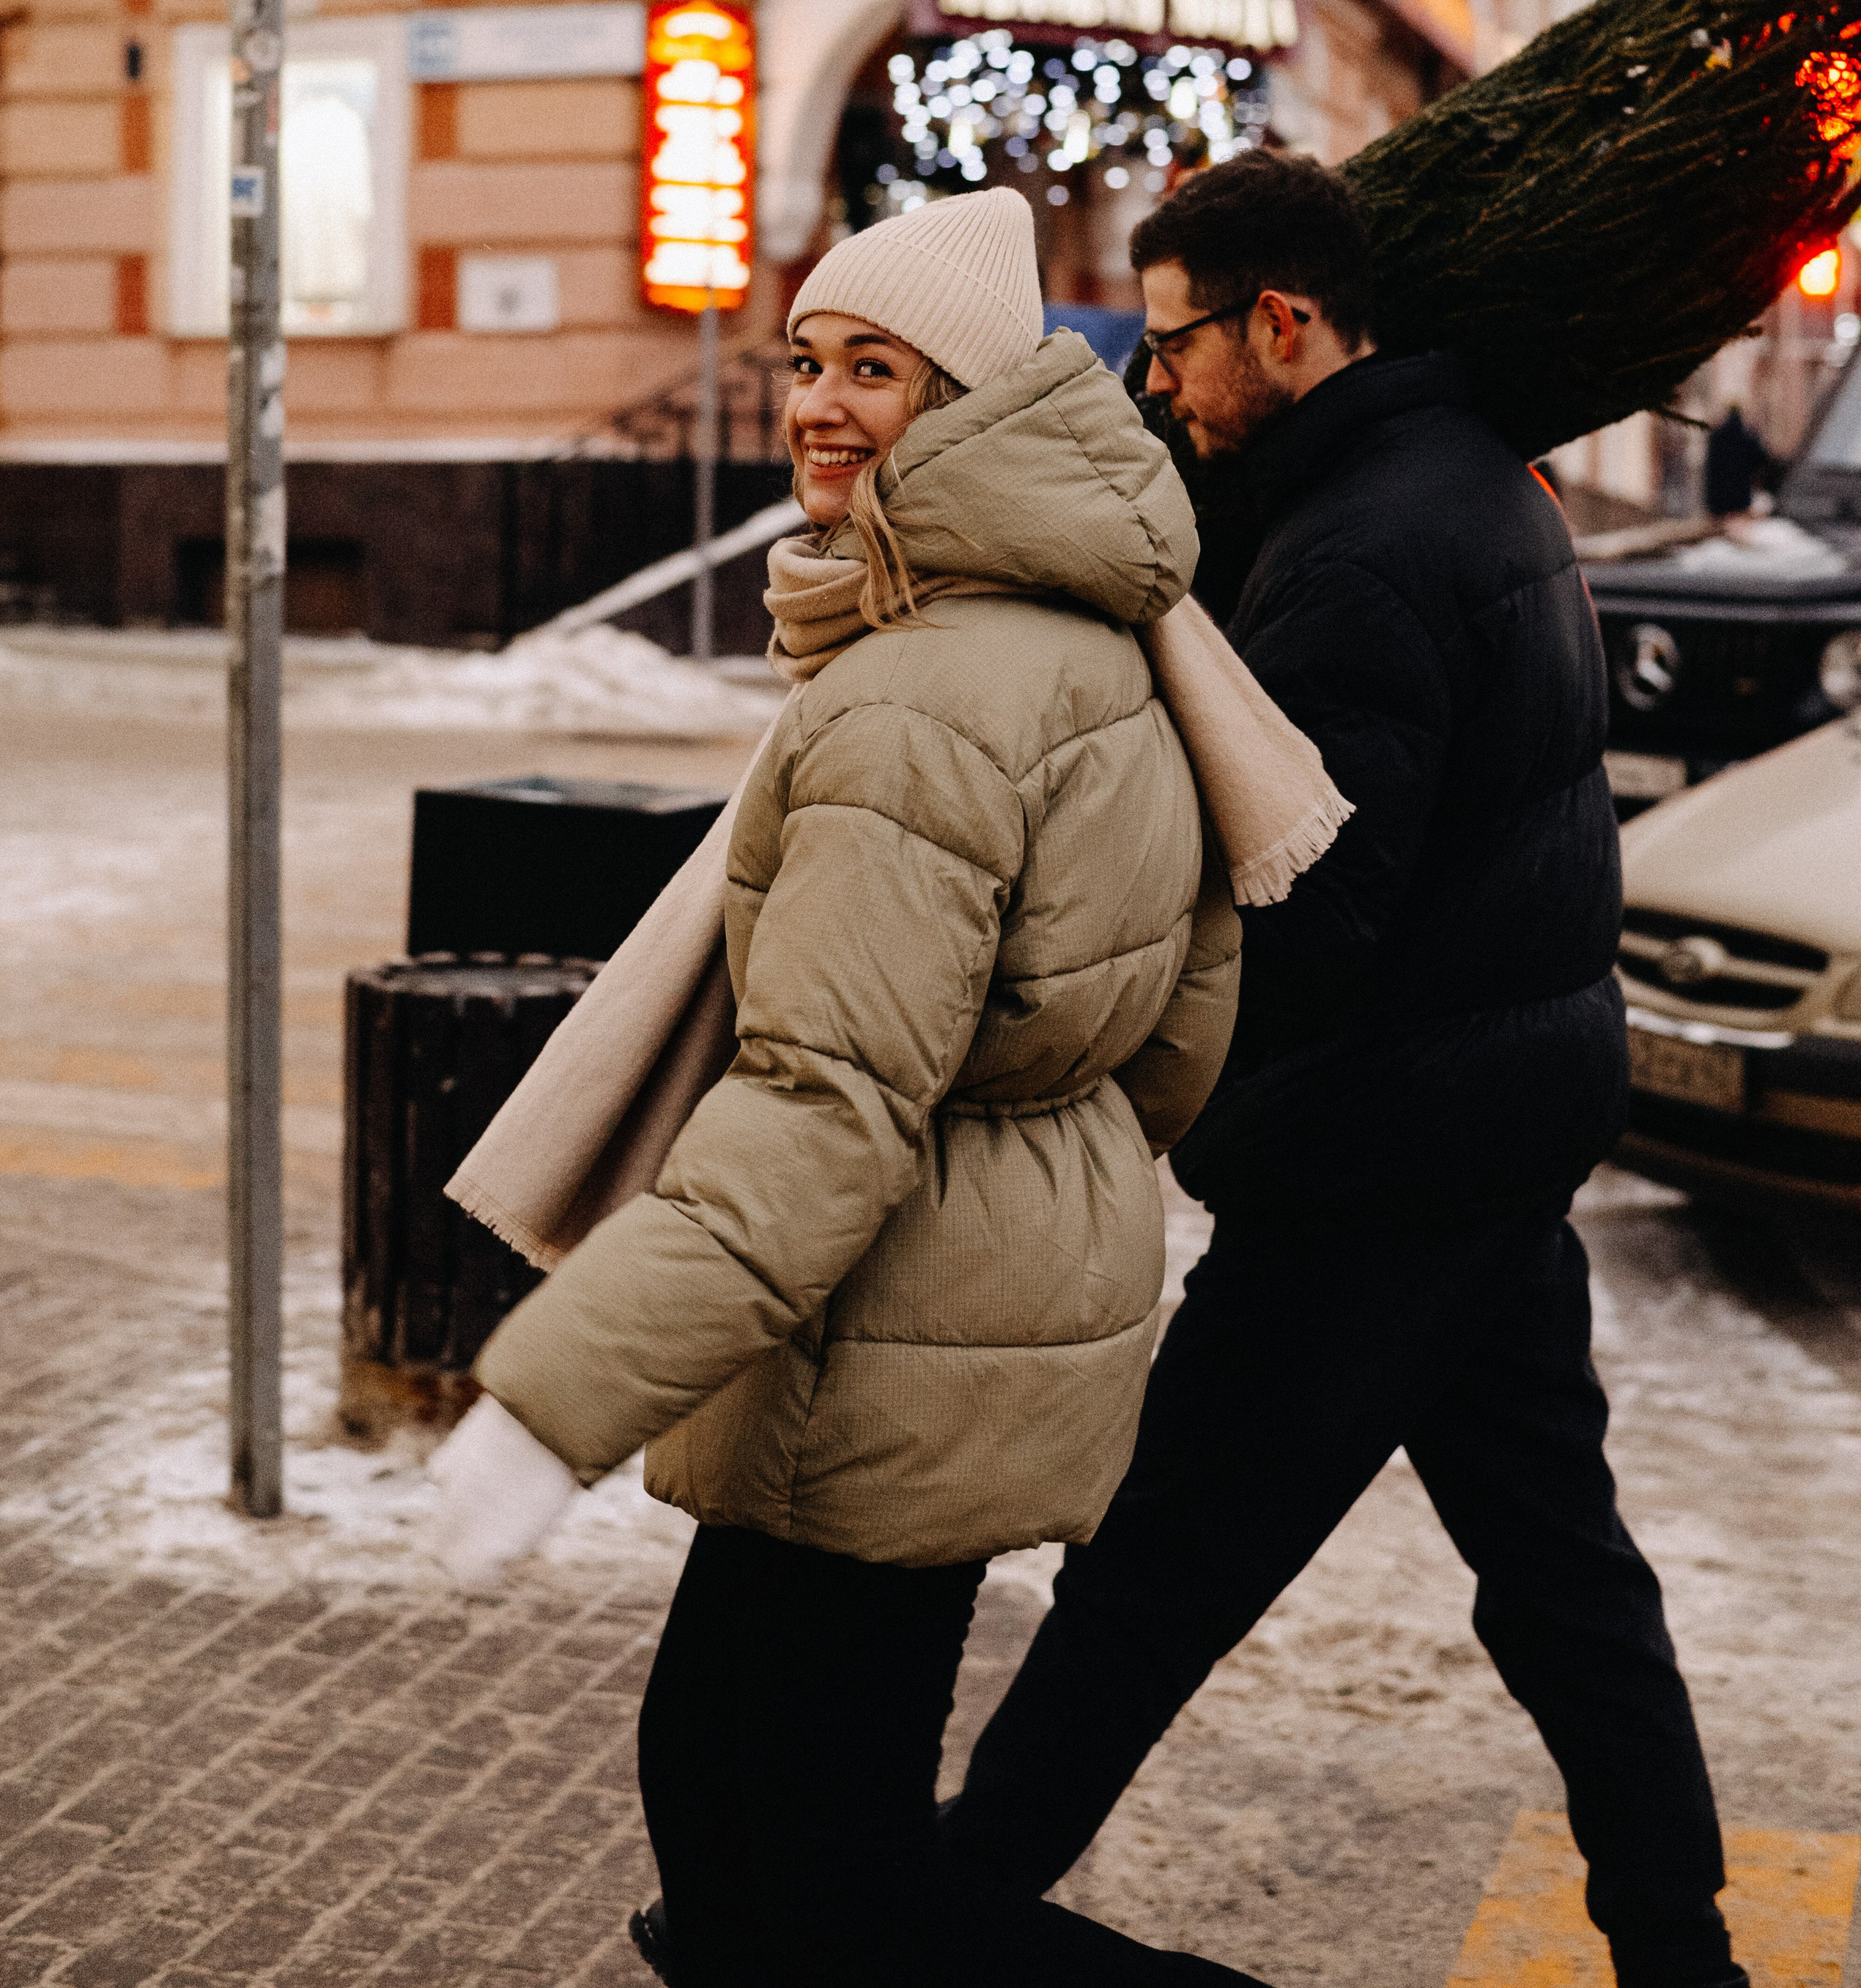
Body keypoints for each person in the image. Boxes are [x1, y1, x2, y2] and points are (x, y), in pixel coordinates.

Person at [429, 187, 1326, 1988]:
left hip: (884, 1329)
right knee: (739, 1838)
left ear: (970, 403)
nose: (817, 407)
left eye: (875, 370)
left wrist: (553, 1400)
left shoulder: (917, 698)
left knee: (819, 1885)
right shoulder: (1104, 634)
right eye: (804, 360)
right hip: (962, 1309)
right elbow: (1177, 1029)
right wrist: (1024, 1180)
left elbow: (822, 1103)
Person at [945, 149, 1749, 1988]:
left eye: (1174, 345)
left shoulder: (1362, 547)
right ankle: (1679, 1950)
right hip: (1483, 1130)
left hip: (1377, 1165)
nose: (1155, 382)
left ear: (1284, 323)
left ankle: (922, 1909)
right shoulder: (1468, 477)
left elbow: (1308, 902)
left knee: (1157, 1567)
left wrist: (1113, 1052)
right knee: (1558, 1578)